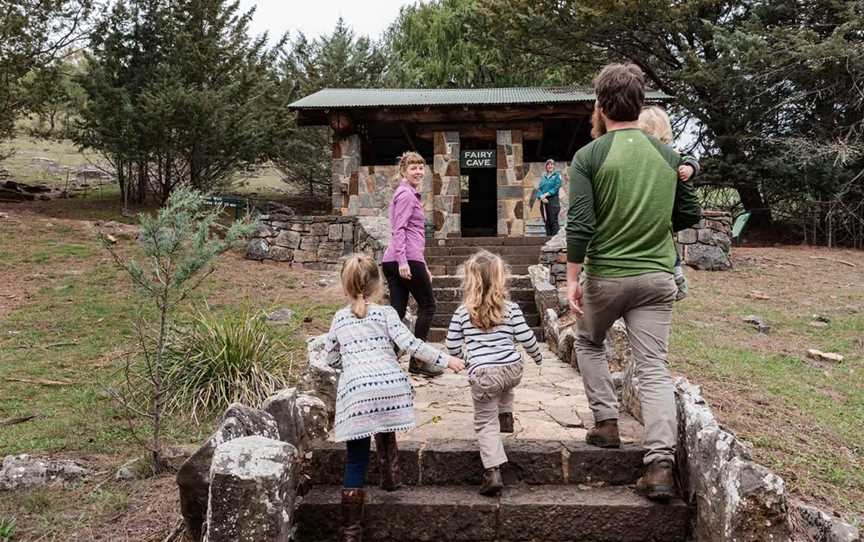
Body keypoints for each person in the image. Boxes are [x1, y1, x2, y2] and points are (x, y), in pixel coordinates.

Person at [566, 64, 701, 501]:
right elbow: (688, 216)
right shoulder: (668, 157)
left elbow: (581, 222)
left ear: (601, 106)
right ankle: (660, 465)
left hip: (606, 276)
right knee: (654, 368)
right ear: (640, 105)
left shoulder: (590, 156)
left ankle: (605, 424)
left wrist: (572, 277)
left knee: (587, 341)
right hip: (657, 278)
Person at [322, 254, 465, 542]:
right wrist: (445, 360)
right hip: (389, 387)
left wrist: (349, 362)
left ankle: (351, 531)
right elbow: (411, 344)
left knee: (356, 458)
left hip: (357, 392)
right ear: (379, 286)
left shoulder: (339, 318)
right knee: (383, 412)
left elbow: (330, 357)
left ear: (345, 286)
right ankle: (391, 476)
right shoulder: (387, 314)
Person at [444, 250, 543, 496]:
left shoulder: (461, 313)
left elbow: (452, 346)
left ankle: (493, 471)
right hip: (512, 369)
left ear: (469, 280)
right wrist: (537, 355)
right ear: (501, 279)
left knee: (485, 424)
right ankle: (506, 414)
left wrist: (468, 359)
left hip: (484, 375)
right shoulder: (511, 309)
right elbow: (527, 337)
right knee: (504, 377)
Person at [382, 151, 442, 377]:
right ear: (403, 171)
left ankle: (386, 360)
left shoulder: (406, 193)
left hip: (397, 259)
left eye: (420, 167)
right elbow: (399, 230)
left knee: (397, 312)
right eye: (413, 168)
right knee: (428, 306)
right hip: (403, 259)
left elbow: (414, 235)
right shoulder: (406, 195)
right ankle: (419, 361)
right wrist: (404, 261)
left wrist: (423, 265)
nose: (418, 171)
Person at [638, 105, 701, 301]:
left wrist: (690, 168)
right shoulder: (665, 157)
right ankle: (674, 275)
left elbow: (690, 160)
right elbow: (690, 211)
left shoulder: (674, 157)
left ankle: (676, 275)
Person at [537, 159, 562, 236]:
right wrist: (541, 196)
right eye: (548, 164)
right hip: (543, 201)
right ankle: (548, 239)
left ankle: (555, 240)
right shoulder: (543, 178)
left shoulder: (557, 175)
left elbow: (556, 187)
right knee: (547, 221)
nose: (550, 166)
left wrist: (546, 194)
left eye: (551, 164)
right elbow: (539, 189)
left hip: (553, 200)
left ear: (554, 166)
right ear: (546, 167)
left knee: (553, 220)